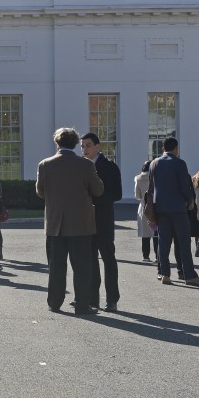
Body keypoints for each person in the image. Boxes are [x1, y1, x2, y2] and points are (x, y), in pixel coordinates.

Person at [37, 127, 104, 315]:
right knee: (82, 267)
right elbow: (98, 190)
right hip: (81, 223)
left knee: (56, 266)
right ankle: (82, 303)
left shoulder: (45, 164)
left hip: (55, 223)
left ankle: (55, 301)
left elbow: (40, 191)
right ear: (75, 144)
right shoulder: (85, 165)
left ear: (57, 143)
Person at [148, 138, 199, 286]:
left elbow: (151, 188)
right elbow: (185, 186)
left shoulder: (154, 163)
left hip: (160, 207)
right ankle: (189, 275)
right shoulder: (179, 163)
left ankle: (164, 274)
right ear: (176, 148)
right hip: (177, 207)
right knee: (183, 241)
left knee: (163, 241)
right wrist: (190, 201)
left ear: (163, 148)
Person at [80, 133, 122, 312]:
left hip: (103, 218)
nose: (85, 149)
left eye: (88, 145)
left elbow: (117, 194)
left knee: (108, 259)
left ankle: (112, 299)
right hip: (84, 220)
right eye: (82, 146)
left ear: (97, 146)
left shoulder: (109, 167)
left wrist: (95, 199)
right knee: (90, 261)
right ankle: (92, 299)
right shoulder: (80, 166)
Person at [135, 161, 157, 262]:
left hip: (144, 207)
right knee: (156, 233)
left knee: (145, 234)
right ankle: (158, 256)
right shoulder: (156, 177)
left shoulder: (138, 179)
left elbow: (137, 196)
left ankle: (146, 256)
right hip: (156, 206)